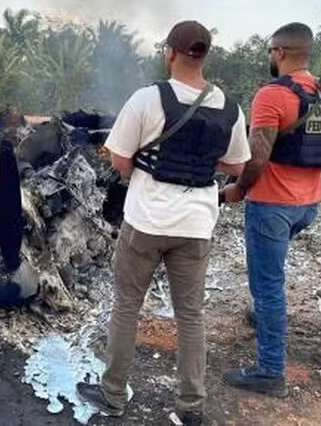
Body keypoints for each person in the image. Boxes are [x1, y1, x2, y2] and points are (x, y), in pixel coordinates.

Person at [76, 21, 251, 425]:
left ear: (169, 53)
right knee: (191, 315)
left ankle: (114, 394)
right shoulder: (230, 107)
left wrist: (143, 167)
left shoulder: (147, 99)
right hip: (196, 227)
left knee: (127, 306)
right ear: (205, 55)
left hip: (146, 222)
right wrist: (204, 163)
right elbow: (237, 165)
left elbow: (119, 160)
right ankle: (191, 406)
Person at [221, 22, 321, 397]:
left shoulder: (271, 95)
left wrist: (239, 188)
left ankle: (270, 371)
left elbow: (257, 156)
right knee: (270, 279)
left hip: (272, 206)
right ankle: (262, 318)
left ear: (279, 53)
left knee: (269, 285)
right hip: (309, 205)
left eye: (269, 53)